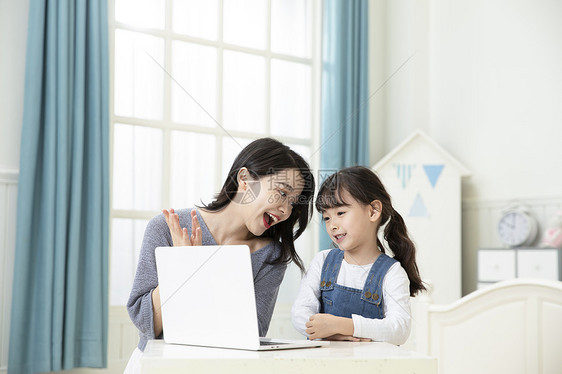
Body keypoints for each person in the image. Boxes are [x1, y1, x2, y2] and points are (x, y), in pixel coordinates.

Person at [124, 137, 315, 372]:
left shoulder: (271, 256)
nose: (286, 210)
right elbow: (144, 321)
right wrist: (183, 266)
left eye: (294, 204)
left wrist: (198, 274)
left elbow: (251, 334)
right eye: (282, 193)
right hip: (159, 366)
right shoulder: (167, 227)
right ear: (245, 180)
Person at [291, 166, 425, 345]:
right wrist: (335, 335)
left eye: (340, 213)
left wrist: (342, 325)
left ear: (373, 211)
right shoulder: (323, 262)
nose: (332, 225)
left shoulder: (391, 272)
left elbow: (399, 329)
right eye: (327, 218)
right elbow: (300, 314)